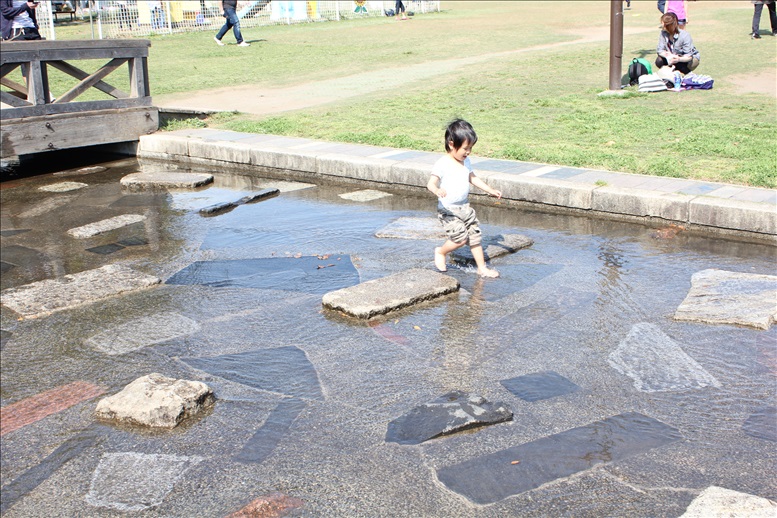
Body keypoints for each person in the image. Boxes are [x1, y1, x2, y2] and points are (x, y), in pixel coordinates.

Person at [427, 119, 502, 279]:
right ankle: (441, 252)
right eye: (465, 148)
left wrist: (490, 190)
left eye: (470, 148)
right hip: (449, 210)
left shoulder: (465, 161)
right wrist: (437, 190)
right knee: (460, 239)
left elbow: (472, 178)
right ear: (452, 144)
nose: (468, 152)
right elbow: (430, 183)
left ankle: (482, 268)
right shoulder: (443, 163)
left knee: (475, 237)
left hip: (465, 208)